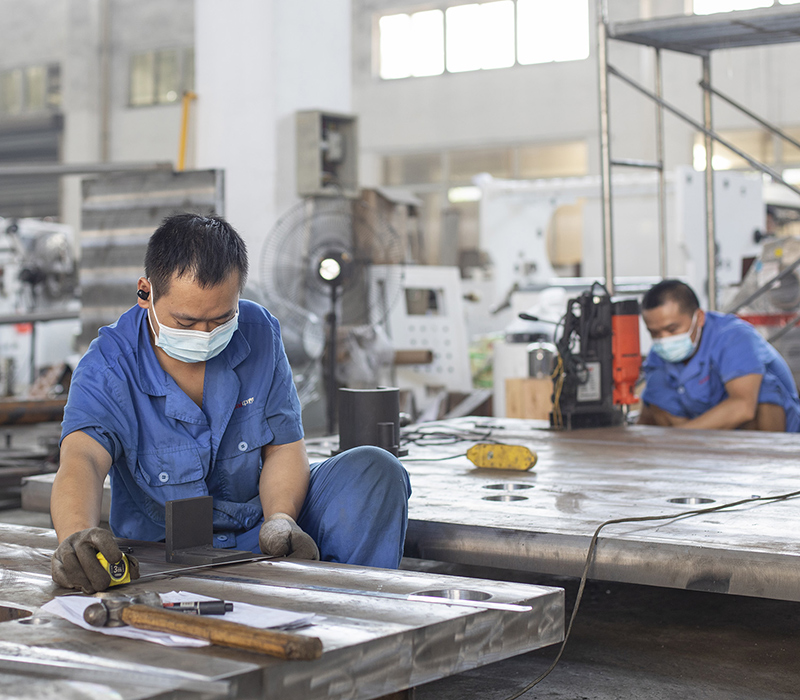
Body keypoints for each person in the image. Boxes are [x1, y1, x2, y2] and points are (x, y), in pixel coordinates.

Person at [50, 213, 411, 594]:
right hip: (162, 555)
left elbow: (284, 447)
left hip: (259, 537)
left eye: (221, 319)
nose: (205, 336)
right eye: (186, 322)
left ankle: (348, 610)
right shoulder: (109, 363)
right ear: (146, 293)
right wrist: (76, 539)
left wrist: (281, 519)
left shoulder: (259, 332)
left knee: (376, 470)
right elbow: (82, 460)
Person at [638, 279, 800, 432]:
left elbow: (743, 407)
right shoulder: (658, 356)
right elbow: (655, 413)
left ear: (699, 318)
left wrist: (681, 437)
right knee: (654, 401)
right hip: (707, 438)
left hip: (771, 437)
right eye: (654, 333)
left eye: (672, 329)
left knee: (764, 391)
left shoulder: (734, 337)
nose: (664, 339)